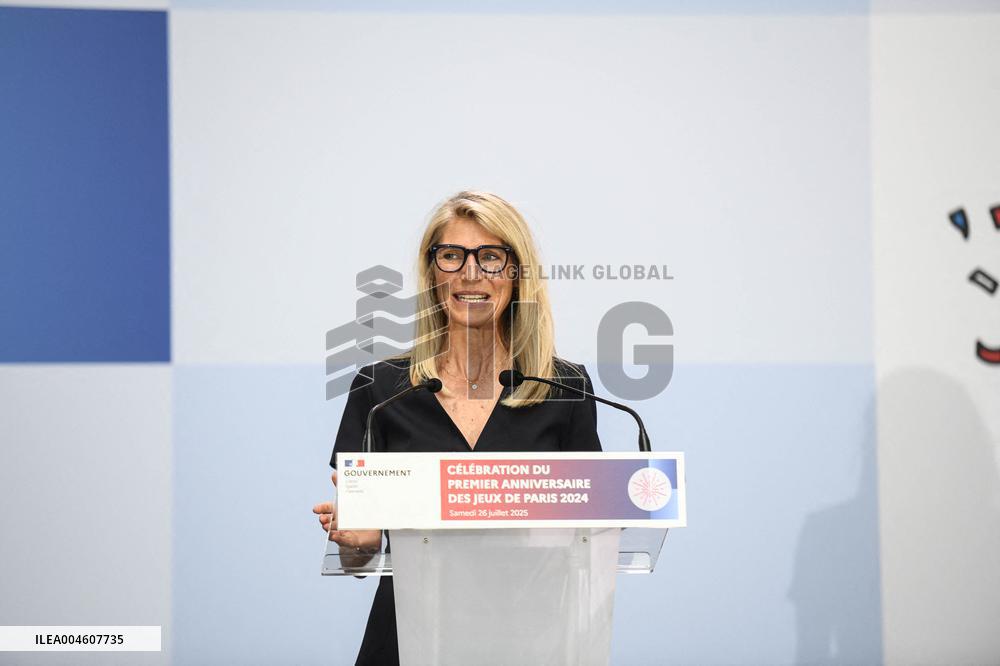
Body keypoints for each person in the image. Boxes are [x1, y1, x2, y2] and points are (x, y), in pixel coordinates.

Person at [312, 190, 602, 665]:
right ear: (432, 272)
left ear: (517, 273)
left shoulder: (565, 388)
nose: (470, 273)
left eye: (490, 257)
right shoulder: (380, 389)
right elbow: (360, 556)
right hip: (406, 641)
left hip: (528, 642)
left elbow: (591, 538)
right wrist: (356, 544)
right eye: (452, 255)